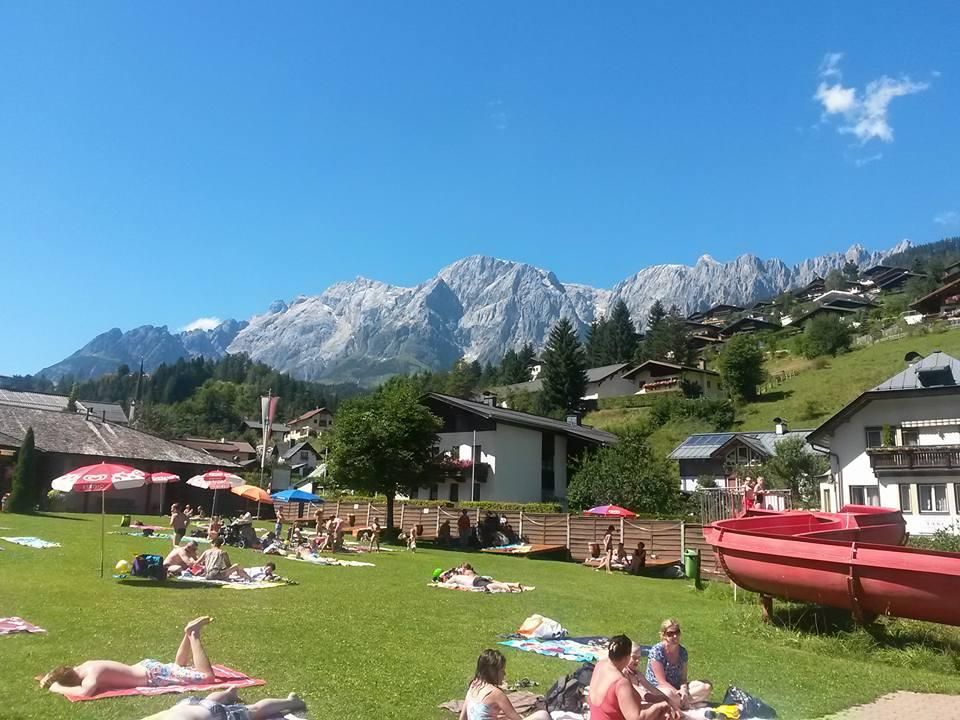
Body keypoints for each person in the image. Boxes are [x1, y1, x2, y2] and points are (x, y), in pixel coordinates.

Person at [41, 617, 218, 698]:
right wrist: (47, 679)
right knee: (178, 667)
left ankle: (193, 634)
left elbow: (85, 692)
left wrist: (56, 687)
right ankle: (187, 634)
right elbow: (58, 673)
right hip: (146, 666)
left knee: (207, 678)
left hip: (153, 676)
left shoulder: (90, 678)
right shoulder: (84, 666)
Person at [588, 635, 675, 720]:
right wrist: (660, 706)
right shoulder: (621, 682)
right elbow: (636, 717)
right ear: (627, 657)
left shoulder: (600, 665)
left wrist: (661, 700)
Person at [459, 649, 550, 720]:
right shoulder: (495, 693)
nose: (504, 674)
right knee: (543, 715)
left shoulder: (474, 685)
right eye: (502, 671)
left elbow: (463, 717)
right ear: (493, 672)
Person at [644, 619, 712, 711]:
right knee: (668, 694)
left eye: (677, 632)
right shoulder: (657, 652)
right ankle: (686, 704)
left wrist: (683, 690)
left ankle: (681, 703)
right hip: (659, 689)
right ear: (663, 635)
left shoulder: (683, 652)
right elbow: (661, 681)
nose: (675, 636)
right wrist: (677, 693)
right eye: (670, 634)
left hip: (676, 688)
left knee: (706, 686)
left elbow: (683, 678)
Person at [140, 688, 307, 720]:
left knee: (254, 710)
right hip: (186, 703)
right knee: (207, 701)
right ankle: (228, 693)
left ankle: (292, 702)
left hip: (215, 714)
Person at [446, 564, 527, 593]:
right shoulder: (465, 574)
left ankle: (505, 586)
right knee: (493, 583)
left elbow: (447, 583)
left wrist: (445, 581)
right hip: (479, 578)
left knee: (489, 586)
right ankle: (514, 585)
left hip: (475, 581)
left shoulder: (456, 577)